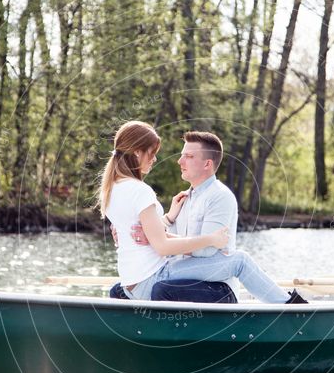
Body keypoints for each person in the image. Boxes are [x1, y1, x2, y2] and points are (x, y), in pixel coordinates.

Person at [100, 120, 307, 304]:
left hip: (163, 280)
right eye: (152, 153)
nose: (178, 161)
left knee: (238, 260)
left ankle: (288, 306)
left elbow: (190, 249)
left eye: (188, 156)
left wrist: (159, 233)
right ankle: (291, 306)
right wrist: (172, 231)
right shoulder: (159, 194)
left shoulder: (111, 190)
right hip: (158, 276)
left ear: (208, 164)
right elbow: (161, 244)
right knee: (240, 260)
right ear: (137, 152)